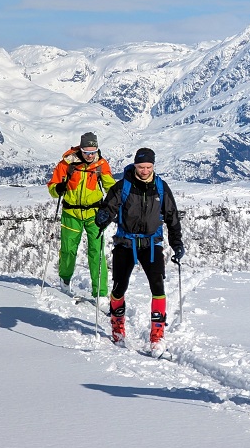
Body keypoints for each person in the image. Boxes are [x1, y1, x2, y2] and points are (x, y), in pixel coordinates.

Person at [94, 147, 185, 354]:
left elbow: (172, 217)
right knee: (119, 287)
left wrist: (177, 243)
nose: (144, 171)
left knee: (158, 287)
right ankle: (117, 327)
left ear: (153, 166)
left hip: (151, 245)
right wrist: (102, 219)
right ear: (135, 165)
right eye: (141, 166)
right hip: (125, 243)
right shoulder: (123, 186)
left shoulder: (161, 188)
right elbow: (108, 208)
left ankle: (157, 335)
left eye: (148, 167)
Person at [47, 132, 115, 307]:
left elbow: (111, 188)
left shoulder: (100, 165)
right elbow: (53, 188)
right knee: (69, 250)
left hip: (94, 213)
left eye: (93, 152)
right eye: (86, 152)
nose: (90, 156)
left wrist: (114, 205)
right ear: (80, 149)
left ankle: (100, 293)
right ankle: (65, 280)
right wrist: (59, 188)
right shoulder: (66, 164)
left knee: (96, 251)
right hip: (71, 213)